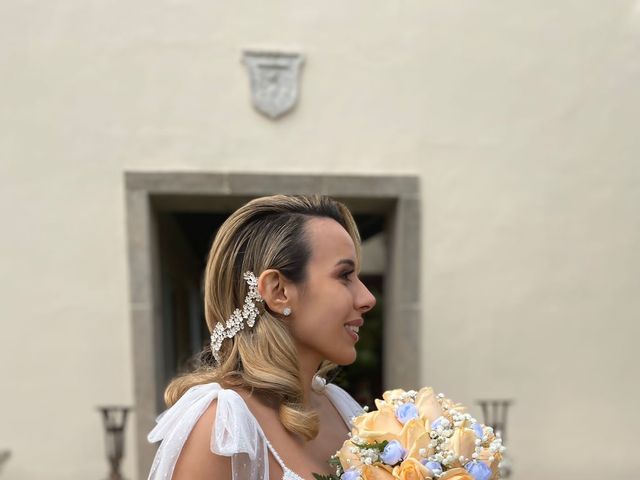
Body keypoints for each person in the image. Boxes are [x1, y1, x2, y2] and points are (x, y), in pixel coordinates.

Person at [147, 194, 377, 480]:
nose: (367, 298)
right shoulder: (221, 428)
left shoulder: (341, 407)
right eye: (345, 275)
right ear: (278, 291)